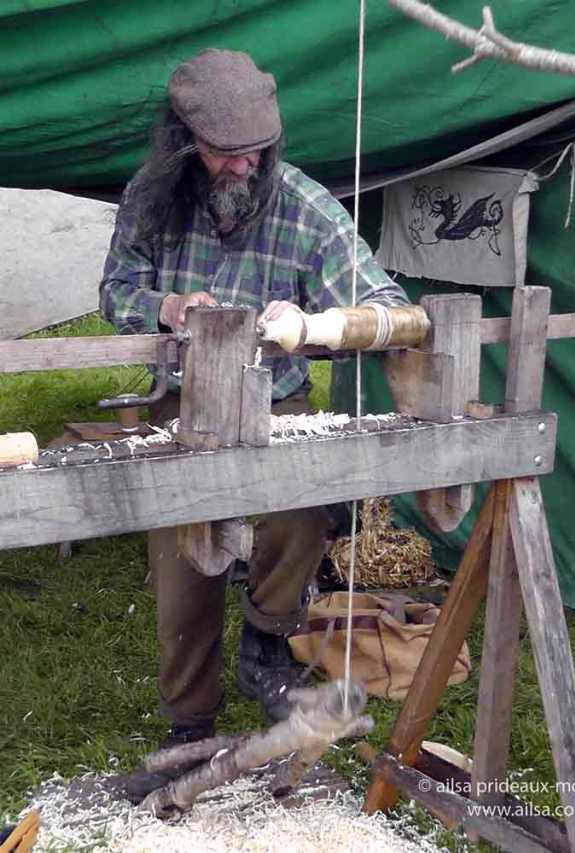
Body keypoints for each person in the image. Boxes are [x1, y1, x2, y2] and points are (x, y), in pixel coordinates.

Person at [100, 48, 409, 797]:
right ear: (184, 143)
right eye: (224, 154)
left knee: (304, 510)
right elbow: (116, 291)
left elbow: (390, 305)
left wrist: (317, 322)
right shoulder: (152, 194)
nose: (243, 168)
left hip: (283, 405)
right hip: (186, 406)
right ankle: (190, 723)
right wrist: (169, 309)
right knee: (183, 564)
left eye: (256, 154)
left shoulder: (303, 205)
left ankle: (268, 639)